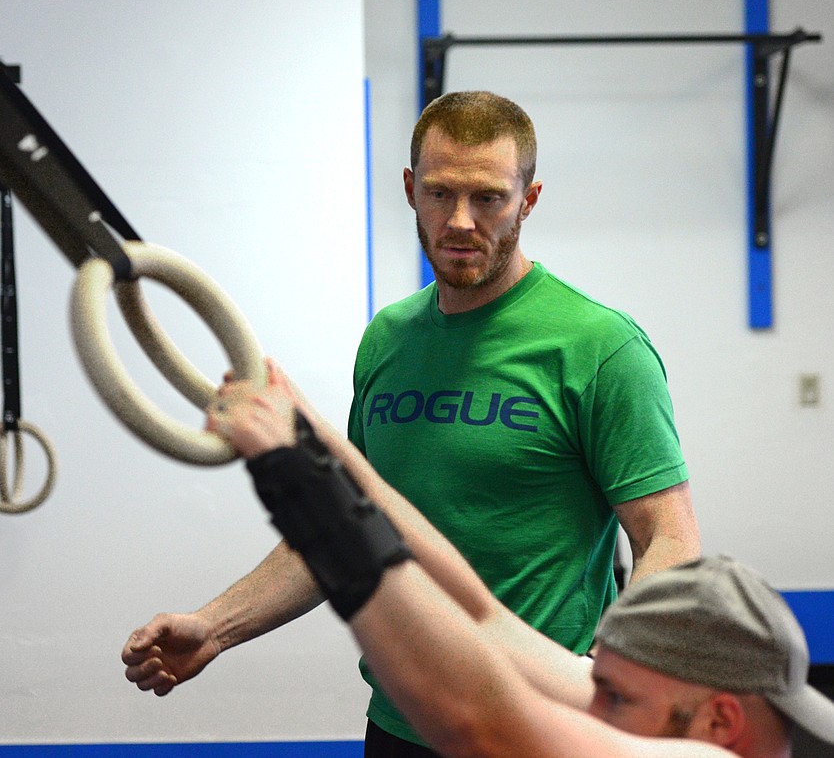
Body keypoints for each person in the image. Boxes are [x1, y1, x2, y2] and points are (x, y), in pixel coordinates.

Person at [122, 91, 702, 755]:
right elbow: (347, 520)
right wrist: (214, 626)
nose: (459, 220)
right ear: (409, 189)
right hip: (404, 720)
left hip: (544, 722)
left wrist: (612, 672)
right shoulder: (388, 339)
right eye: (440, 193)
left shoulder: (599, 346)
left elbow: (671, 539)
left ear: (529, 198)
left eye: (488, 198)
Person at [206, 366, 834, 758]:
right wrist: (316, 437)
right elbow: (480, 615)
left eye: (615, 697)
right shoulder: (668, 716)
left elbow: (477, 725)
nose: (594, 703)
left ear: (720, 718)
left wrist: (293, 482)